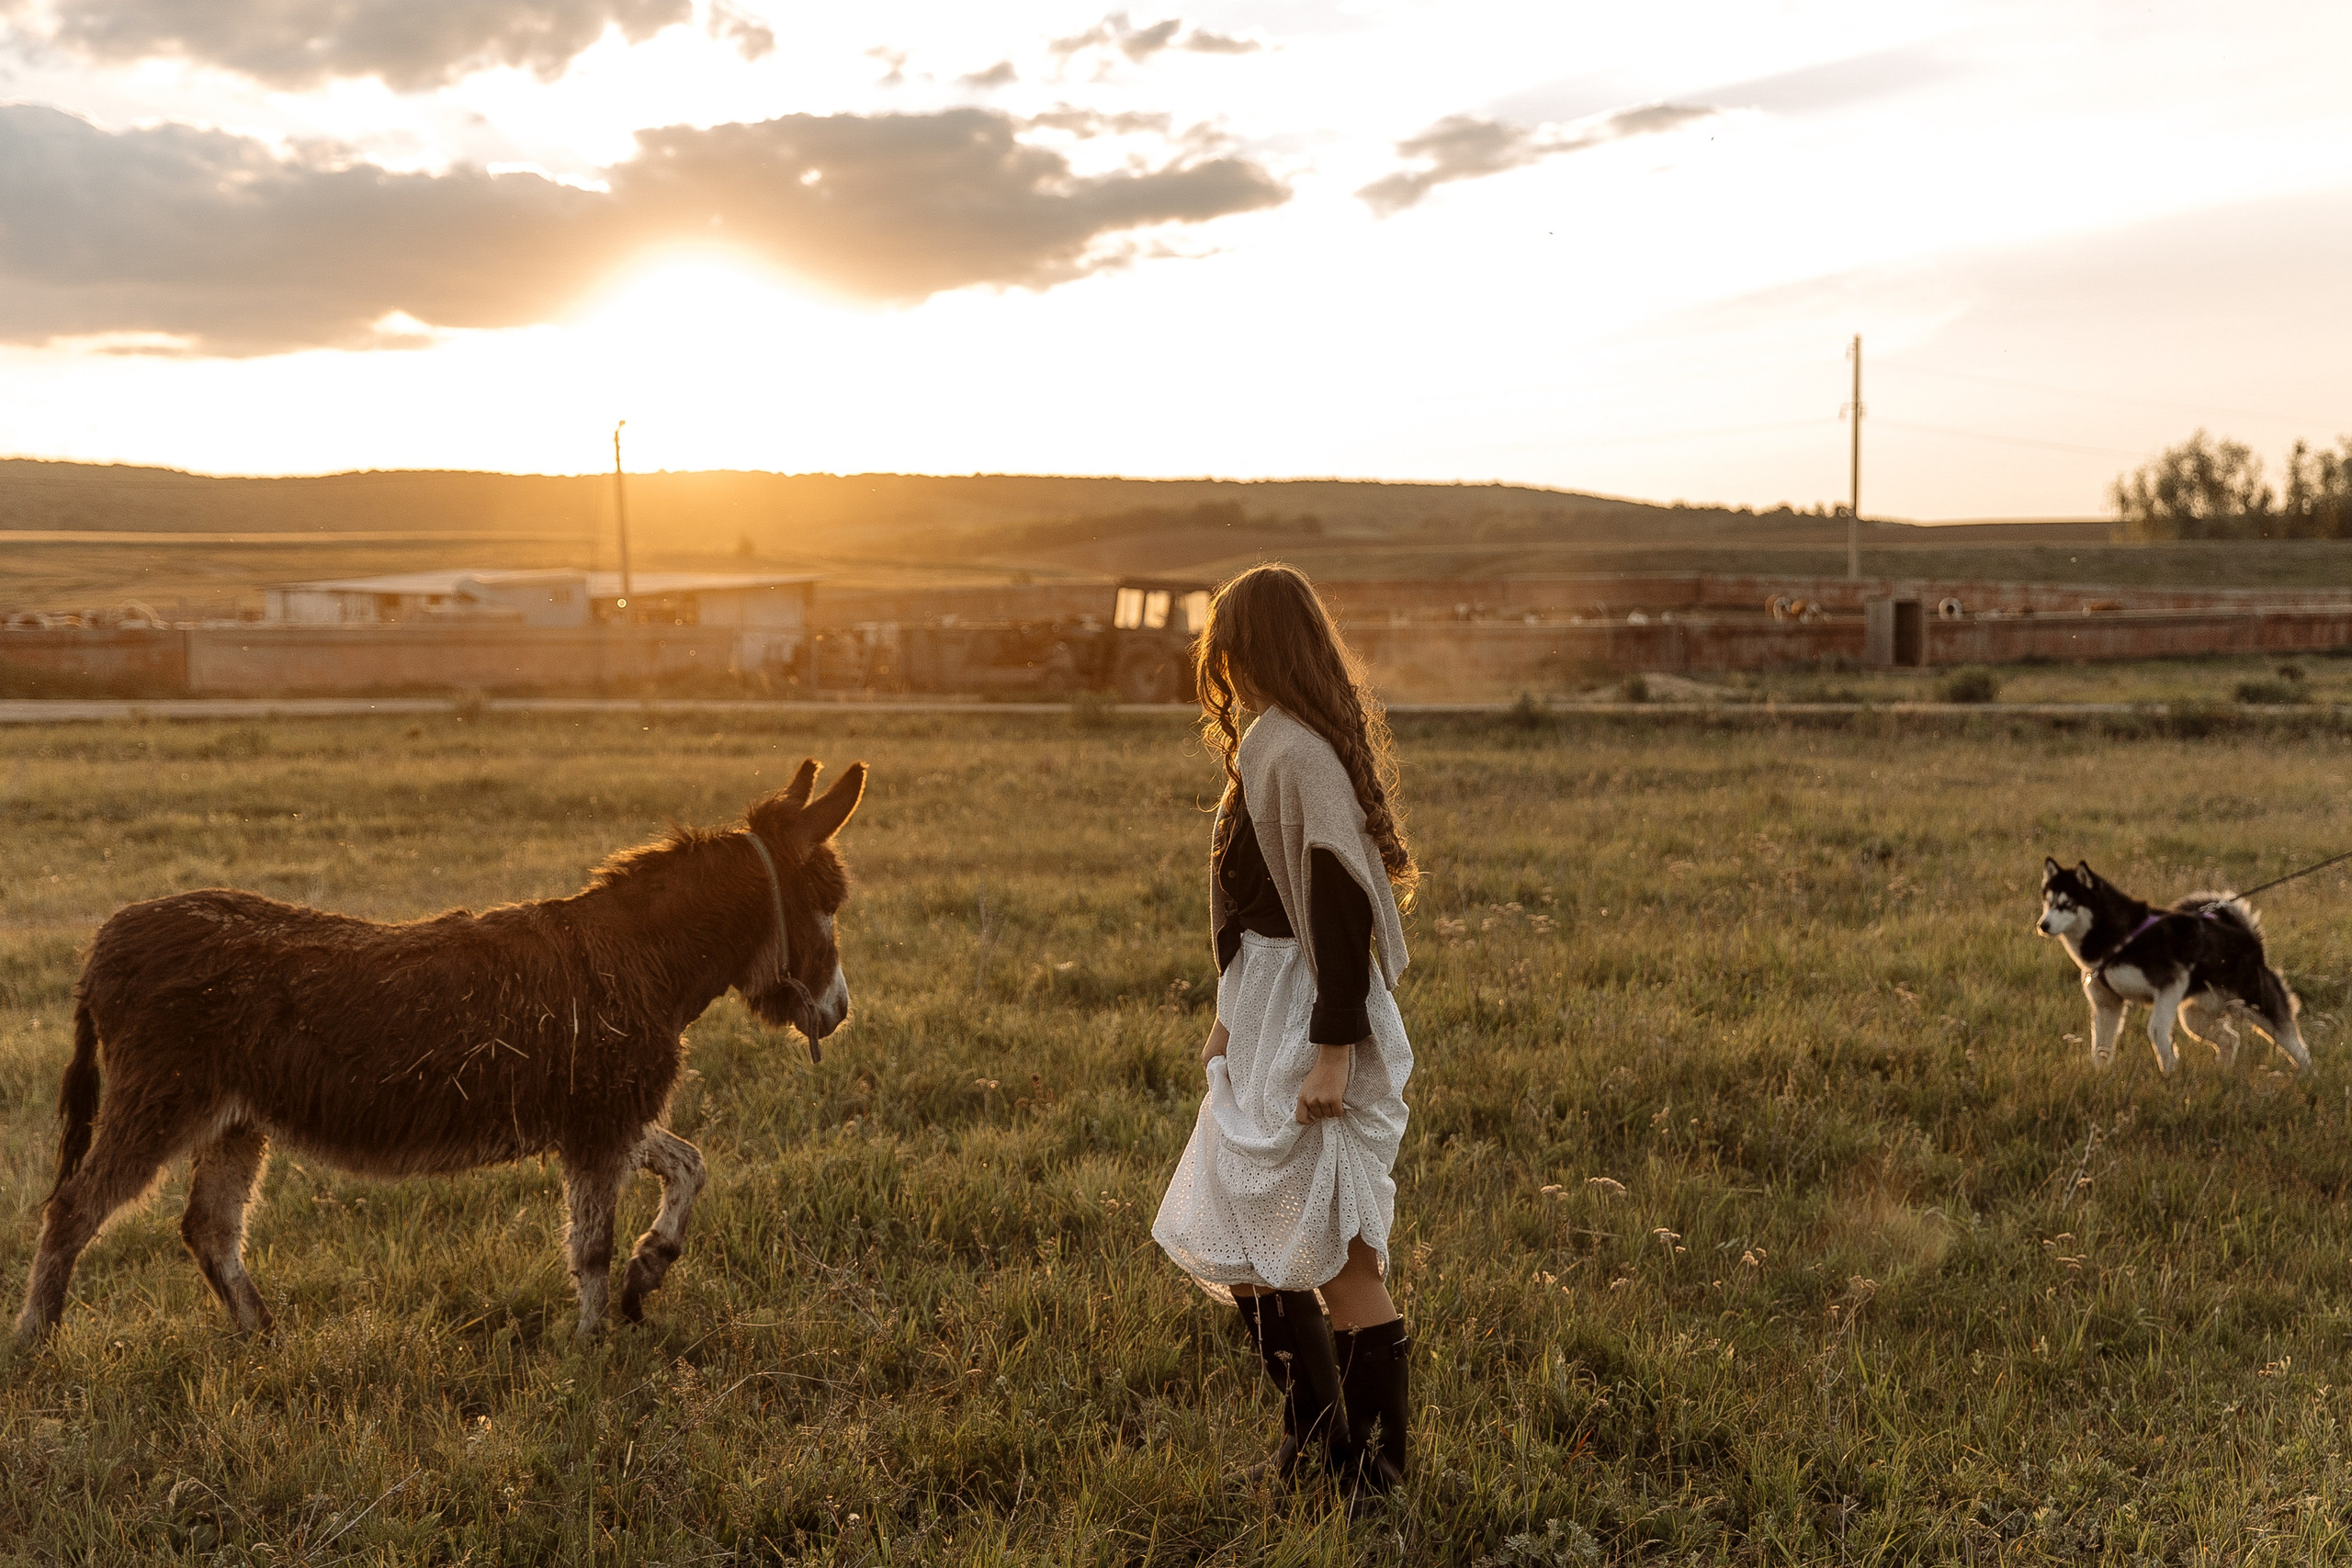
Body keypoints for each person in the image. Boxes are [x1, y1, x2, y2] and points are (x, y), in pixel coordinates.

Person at [1150, 563, 1418, 1502]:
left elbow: (1337, 903)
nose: (1213, 665)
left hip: (1308, 1015)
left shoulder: (1288, 747)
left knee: (1338, 1257)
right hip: (1266, 1006)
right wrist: (1228, 1019)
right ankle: (1316, 1448)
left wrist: (1333, 1049)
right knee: (1249, 1245)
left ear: (1244, 647)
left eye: (1220, 646)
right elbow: (1258, 905)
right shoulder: (1275, 741)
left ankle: (1373, 1479)